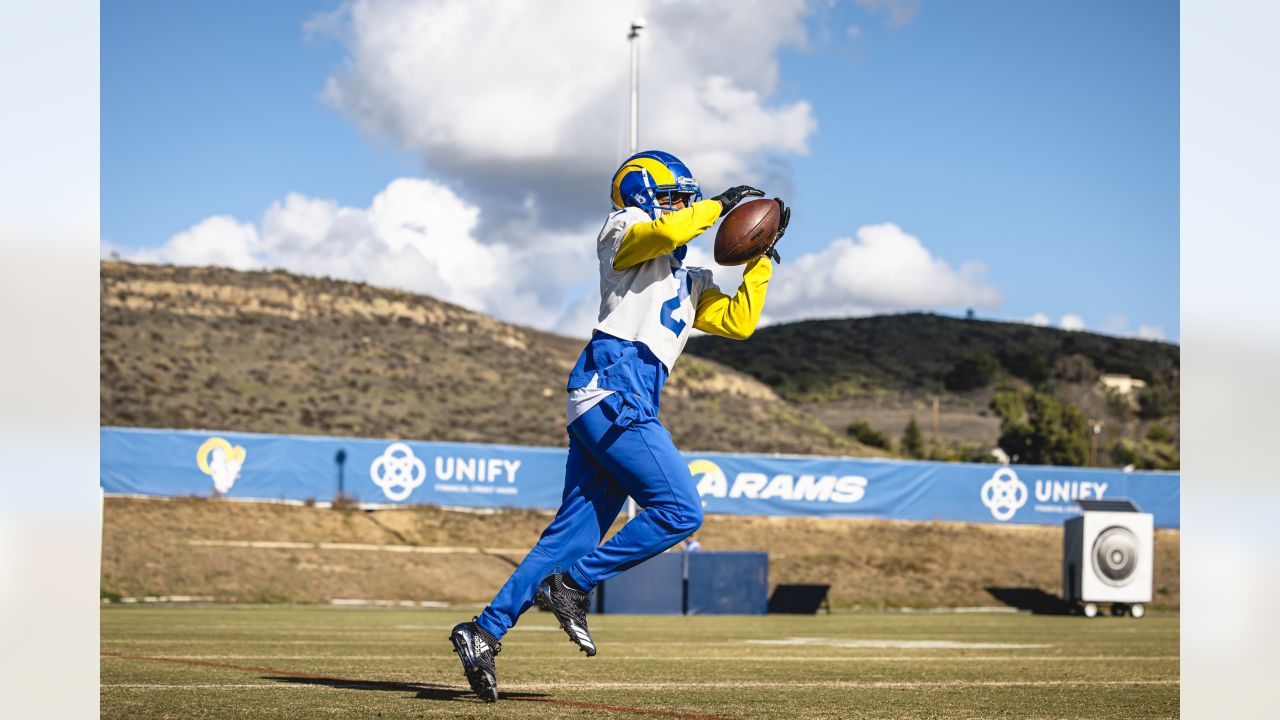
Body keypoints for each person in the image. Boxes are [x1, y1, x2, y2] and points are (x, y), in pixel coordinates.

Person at [449, 150, 789, 702]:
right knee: (682, 511)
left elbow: (740, 322)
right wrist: (718, 206)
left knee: (571, 535)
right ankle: (574, 586)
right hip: (614, 387)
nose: (688, 206)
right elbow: (670, 228)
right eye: (677, 196)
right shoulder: (624, 230)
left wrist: (762, 257)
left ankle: (484, 630)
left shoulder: (689, 277)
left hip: (614, 399)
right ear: (643, 195)